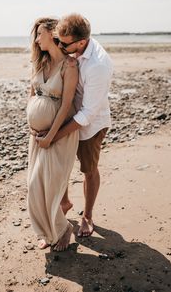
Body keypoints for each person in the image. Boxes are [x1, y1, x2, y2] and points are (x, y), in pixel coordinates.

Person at [38, 13, 113, 238]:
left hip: (91, 125)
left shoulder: (98, 65)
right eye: (58, 40)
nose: (60, 45)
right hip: (69, 116)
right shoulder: (73, 44)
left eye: (64, 43)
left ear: (81, 42)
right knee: (61, 165)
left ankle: (88, 216)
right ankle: (65, 202)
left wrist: (55, 135)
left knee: (89, 170)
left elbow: (88, 114)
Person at [26, 17, 79, 251]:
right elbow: (32, 94)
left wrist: (51, 136)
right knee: (34, 185)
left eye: (40, 34)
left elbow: (66, 105)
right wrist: (31, 119)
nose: (37, 40)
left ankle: (63, 229)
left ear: (52, 33)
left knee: (46, 185)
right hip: (36, 135)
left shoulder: (69, 65)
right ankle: (50, 232)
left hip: (58, 135)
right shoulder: (41, 62)